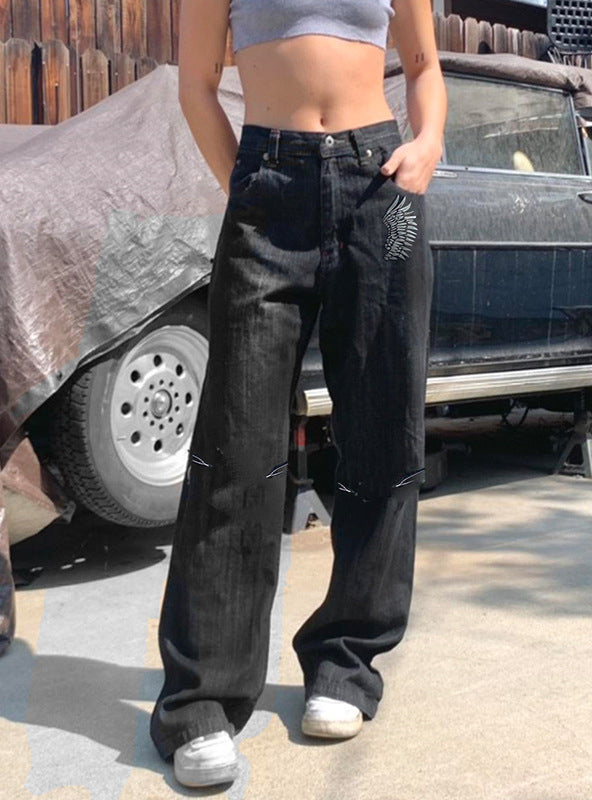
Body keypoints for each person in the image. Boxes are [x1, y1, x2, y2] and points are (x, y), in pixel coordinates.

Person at [150, 0, 447, 788]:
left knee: (383, 432)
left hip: (382, 191)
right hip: (268, 186)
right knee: (236, 448)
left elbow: (424, 67)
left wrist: (426, 146)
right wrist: (245, 183)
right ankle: (202, 700)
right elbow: (196, 84)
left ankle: (346, 663)